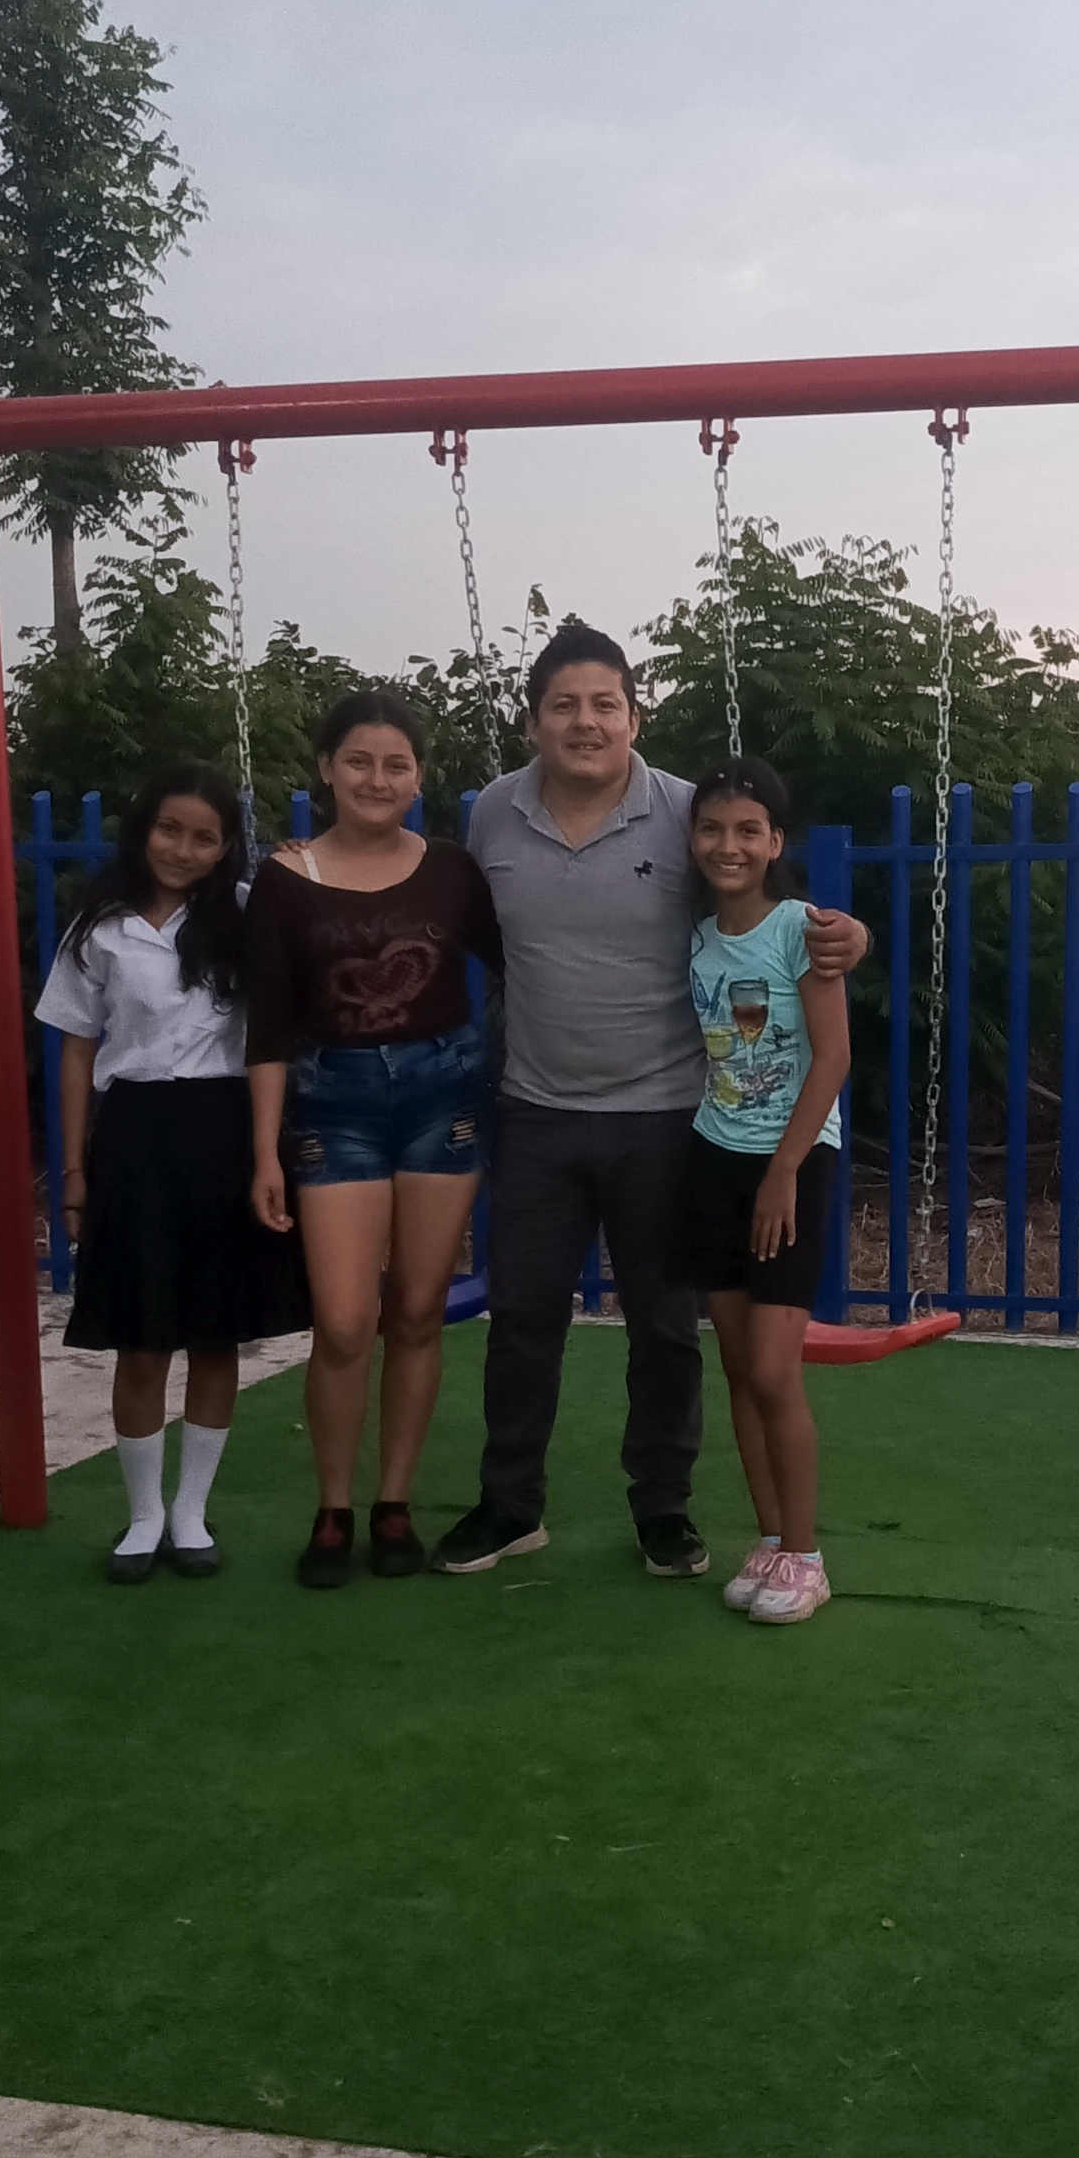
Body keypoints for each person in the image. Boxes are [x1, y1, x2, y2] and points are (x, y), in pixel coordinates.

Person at [429, 623, 867, 1581]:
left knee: (664, 1329)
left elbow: (760, 902)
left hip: (669, 1114)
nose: (585, 723)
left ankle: (663, 1506)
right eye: (563, 705)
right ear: (533, 719)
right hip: (538, 1107)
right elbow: (494, 942)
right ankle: (510, 1504)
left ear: (635, 716)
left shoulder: (683, 811)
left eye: (605, 704)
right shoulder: (493, 813)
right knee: (523, 1319)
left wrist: (850, 937)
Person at [245, 687, 502, 1587]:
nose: (377, 779)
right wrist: (264, 1152)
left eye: (397, 765)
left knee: (419, 1311)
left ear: (419, 777)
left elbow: (530, 962)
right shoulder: (284, 881)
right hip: (334, 1105)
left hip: (443, 1097)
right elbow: (268, 1026)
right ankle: (333, 1508)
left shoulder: (452, 870)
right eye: (359, 761)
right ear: (326, 768)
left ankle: (394, 1503)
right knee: (347, 1320)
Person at [35, 763, 305, 1582]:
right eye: (169, 830)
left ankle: (191, 1511)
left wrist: (267, 1157)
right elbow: (76, 1050)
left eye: (204, 837)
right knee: (142, 1337)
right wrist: (74, 1170)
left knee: (215, 1332)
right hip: (135, 1136)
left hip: (225, 1130)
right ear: (141, 828)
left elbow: (278, 1026)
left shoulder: (246, 914)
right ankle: (144, 1515)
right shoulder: (100, 928)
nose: (183, 850)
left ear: (226, 848)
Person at [678, 757, 851, 1626]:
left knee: (778, 1371)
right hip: (713, 1156)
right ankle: (773, 1538)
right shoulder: (697, 936)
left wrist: (784, 1168)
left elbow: (833, 1057)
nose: (729, 845)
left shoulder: (800, 930)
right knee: (740, 1368)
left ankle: (808, 1557)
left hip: (792, 1164)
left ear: (777, 841)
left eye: (749, 830)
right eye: (712, 828)